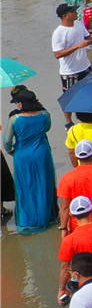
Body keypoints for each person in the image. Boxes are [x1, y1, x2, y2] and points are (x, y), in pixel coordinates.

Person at [4, 89, 56, 233]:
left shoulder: (15, 119)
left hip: (22, 155)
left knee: (25, 187)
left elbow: (7, 141)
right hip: (42, 153)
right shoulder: (45, 115)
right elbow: (47, 128)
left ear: (20, 104)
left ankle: (28, 219)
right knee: (44, 183)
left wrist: (11, 152)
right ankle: (48, 216)